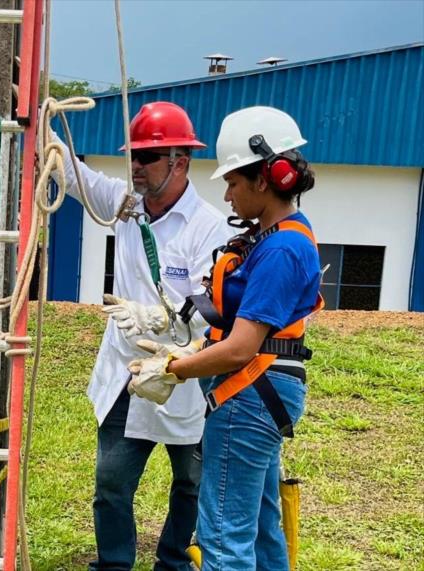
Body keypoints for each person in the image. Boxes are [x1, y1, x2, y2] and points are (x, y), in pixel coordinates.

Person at [127, 106, 321, 570]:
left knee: (222, 535)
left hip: (250, 393)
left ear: (265, 179)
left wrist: (173, 368)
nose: (228, 195)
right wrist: (190, 349)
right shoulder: (275, 238)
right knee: (260, 529)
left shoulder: (281, 249)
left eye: (233, 182)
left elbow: (241, 348)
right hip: (262, 389)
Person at [54, 102, 232, 570]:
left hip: (185, 370)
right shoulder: (126, 206)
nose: (135, 166)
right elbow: (67, 171)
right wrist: (33, 109)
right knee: (111, 481)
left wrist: (157, 318)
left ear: (180, 162)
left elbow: (212, 307)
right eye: (133, 156)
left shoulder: (207, 227)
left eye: (148, 157)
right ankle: (114, 565)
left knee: (191, 481)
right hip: (127, 370)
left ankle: (173, 561)